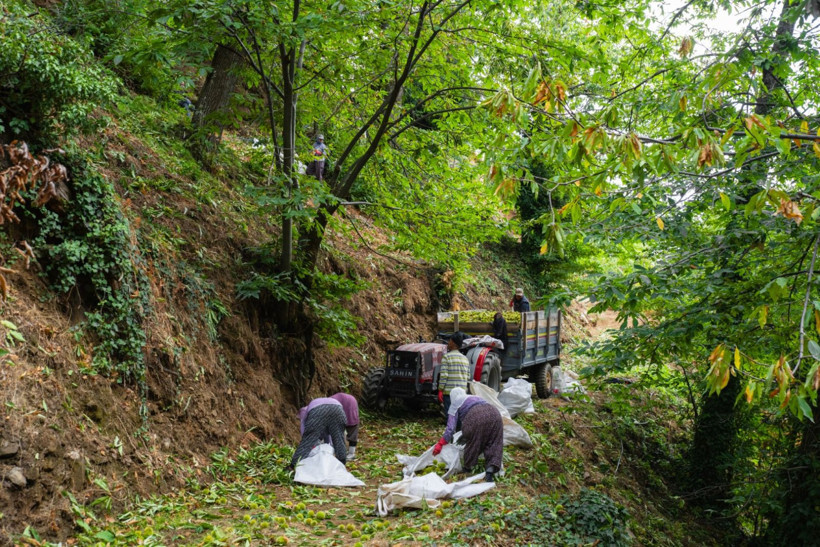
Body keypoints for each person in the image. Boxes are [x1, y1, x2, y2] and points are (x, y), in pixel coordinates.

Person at [432, 387, 503, 482]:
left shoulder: (455, 403)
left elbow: (450, 428)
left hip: (476, 417)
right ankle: (490, 470)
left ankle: (467, 469)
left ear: (453, 396)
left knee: (474, 441)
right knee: (494, 441)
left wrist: (441, 443)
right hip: (495, 414)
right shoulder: (475, 397)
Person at [292, 397, 347, 468]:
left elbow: (306, 435)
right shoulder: (326, 423)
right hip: (338, 409)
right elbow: (330, 438)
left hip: (318, 410)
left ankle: (293, 465)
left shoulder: (304, 412)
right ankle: (342, 464)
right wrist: (328, 448)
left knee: (308, 440)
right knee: (339, 438)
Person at [438, 332, 470, 415]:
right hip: (461, 394)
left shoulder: (446, 357)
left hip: (449, 393)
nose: (448, 343)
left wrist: (440, 390)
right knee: (459, 416)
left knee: (450, 416)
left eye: (449, 341)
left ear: (453, 343)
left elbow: (444, 376)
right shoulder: (465, 359)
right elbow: (468, 376)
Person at [330, 392, 360, 461]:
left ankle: (351, 453)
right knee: (342, 428)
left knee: (352, 426)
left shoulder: (328, 404)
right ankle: (345, 452)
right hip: (347, 402)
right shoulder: (328, 402)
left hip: (349, 404)